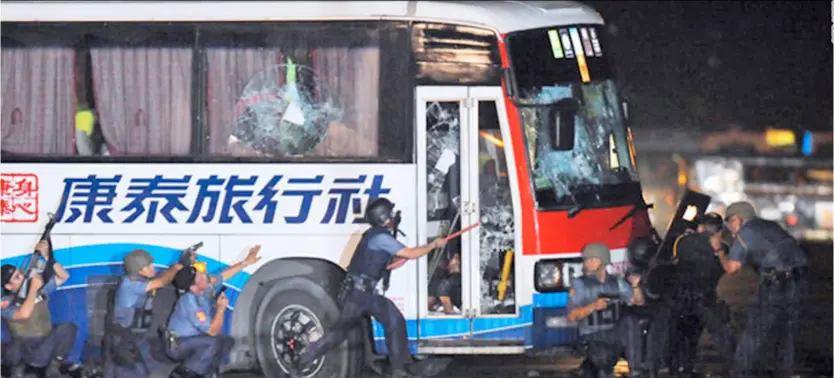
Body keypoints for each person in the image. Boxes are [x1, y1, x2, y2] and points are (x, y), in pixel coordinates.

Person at [294, 198, 450, 378]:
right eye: (390, 214)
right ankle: (305, 357)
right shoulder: (381, 237)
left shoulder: (375, 235)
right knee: (340, 333)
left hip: (363, 293)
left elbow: (392, 261)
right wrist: (433, 245)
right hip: (359, 295)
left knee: (393, 320)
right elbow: (409, 253)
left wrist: (401, 256)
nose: (393, 216)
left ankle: (400, 368)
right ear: (384, 218)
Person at [716, 201, 809, 378]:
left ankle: (739, 373)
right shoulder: (768, 226)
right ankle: (785, 373)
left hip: (775, 284)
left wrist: (719, 249)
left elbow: (732, 268)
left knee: (754, 332)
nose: (730, 228)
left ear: (737, 219)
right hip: (798, 279)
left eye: (729, 222)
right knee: (787, 333)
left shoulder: (745, 233)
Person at [166, 245, 262, 378]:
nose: (205, 276)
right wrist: (221, 308)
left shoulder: (203, 286)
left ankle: (208, 373)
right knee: (212, 342)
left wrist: (246, 261)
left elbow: (223, 276)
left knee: (226, 342)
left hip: (193, 338)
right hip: (177, 345)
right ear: (193, 287)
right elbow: (212, 331)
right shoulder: (190, 303)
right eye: (201, 277)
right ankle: (183, 374)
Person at [666, 213, 735, 377]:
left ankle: (681, 370)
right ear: (718, 232)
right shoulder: (723, 249)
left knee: (685, 339)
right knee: (723, 335)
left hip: (682, 300)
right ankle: (738, 368)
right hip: (707, 299)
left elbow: (673, 260)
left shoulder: (682, 242)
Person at [0, 240, 82, 378]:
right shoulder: (5, 302)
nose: (21, 276)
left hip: (45, 345)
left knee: (68, 328)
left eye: (20, 272)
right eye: (16, 277)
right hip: (26, 349)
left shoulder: (37, 289)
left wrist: (48, 257)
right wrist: (33, 288)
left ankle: (54, 366)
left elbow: (63, 276)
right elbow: (23, 314)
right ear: (8, 286)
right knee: (14, 347)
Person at [567, 243, 648, 378]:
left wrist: (635, 286)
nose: (588, 263)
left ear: (602, 261)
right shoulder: (580, 284)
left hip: (614, 334)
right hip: (593, 336)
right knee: (603, 364)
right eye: (586, 260)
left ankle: (636, 370)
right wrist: (593, 306)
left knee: (631, 320)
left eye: (592, 259)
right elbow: (571, 316)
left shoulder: (617, 282)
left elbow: (638, 302)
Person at [104, 249, 189, 378]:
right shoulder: (129, 285)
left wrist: (180, 263)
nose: (153, 267)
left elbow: (163, 277)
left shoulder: (140, 280)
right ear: (139, 270)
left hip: (132, 339)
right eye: (149, 266)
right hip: (121, 340)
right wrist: (177, 267)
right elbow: (161, 282)